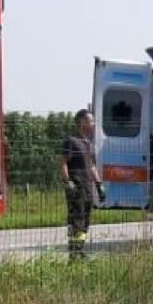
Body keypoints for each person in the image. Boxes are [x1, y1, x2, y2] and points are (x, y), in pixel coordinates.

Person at [59, 109, 103, 256]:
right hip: (76, 188)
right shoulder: (71, 141)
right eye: (91, 121)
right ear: (82, 122)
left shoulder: (89, 144)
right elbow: (63, 163)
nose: (93, 124)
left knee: (85, 221)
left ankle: (80, 249)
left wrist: (99, 185)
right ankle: (74, 253)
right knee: (76, 220)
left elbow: (92, 166)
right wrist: (67, 182)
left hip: (88, 188)